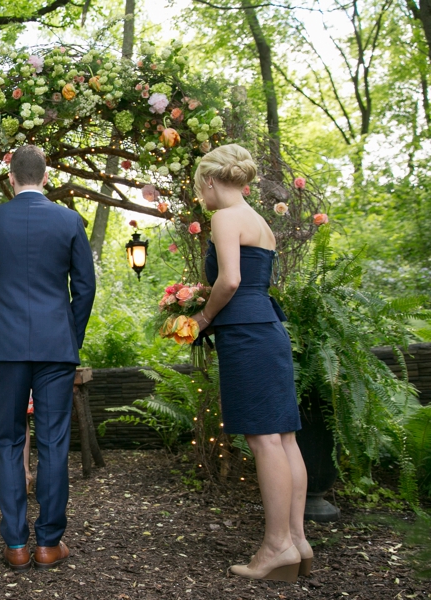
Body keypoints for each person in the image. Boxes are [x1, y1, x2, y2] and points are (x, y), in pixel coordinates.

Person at [0, 145, 96, 571]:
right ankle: (48, 543)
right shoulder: (69, 220)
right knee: (54, 440)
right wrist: (68, 334)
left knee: (7, 441)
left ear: (11, 178)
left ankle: (15, 546)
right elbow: (85, 287)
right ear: (46, 177)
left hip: (5, 347)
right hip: (55, 346)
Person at [191, 144, 312, 582]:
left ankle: (276, 546)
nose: (201, 199)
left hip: (245, 334)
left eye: (198, 187)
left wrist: (202, 318)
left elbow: (231, 280)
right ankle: (297, 541)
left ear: (210, 180)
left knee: (264, 441)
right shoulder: (261, 222)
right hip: (270, 330)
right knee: (284, 437)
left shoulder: (225, 218)